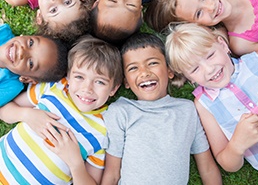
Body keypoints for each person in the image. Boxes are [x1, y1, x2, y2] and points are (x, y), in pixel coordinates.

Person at [100, 32, 222, 184]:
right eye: (133, 68)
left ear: (169, 71)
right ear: (126, 82)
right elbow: (112, 173)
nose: (144, 72)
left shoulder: (187, 110)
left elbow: (207, 168)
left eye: (152, 63)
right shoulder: (121, 111)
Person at [0, 35, 123, 185]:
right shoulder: (54, 88)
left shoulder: (103, 132)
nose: (87, 88)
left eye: (99, 82)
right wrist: (27, 114)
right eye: (79, 77)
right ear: (68, 77)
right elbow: (4, 109)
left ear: (114, 89)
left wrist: (75, 163)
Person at [165, 22, 258, 175]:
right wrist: (237, 144)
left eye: (210, 55)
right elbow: (227, 164)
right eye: (194, 69)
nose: (209, 69)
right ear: (188, 78)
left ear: (223, 45)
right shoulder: (204, 105)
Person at [0, 22, 68, 106]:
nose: (22, 51)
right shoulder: (3, 33)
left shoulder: (11, 86)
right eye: (30, 43)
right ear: (25, 36)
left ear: (27, 79)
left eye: (31, 63)